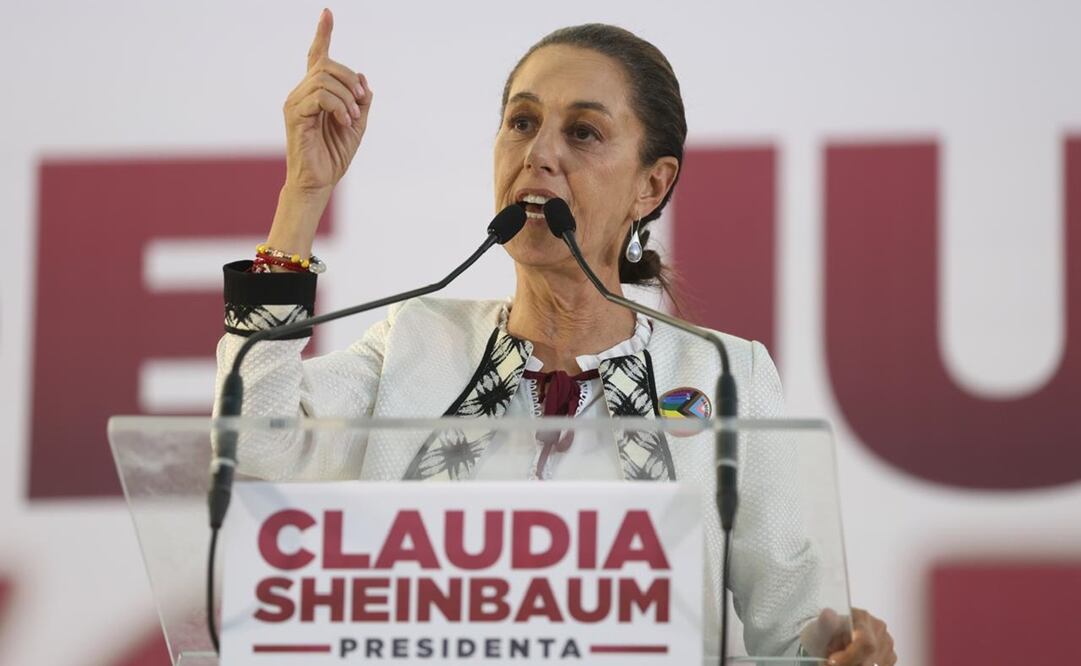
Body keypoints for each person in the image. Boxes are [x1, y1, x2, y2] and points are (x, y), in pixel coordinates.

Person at [215, 9, 897, 665]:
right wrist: (303, 192)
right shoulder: (415, 343)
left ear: (651, 186)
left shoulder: (723, 373)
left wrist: (843, 649)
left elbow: (794, 631)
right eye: (521, 122)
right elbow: (255, 441)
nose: (539, 154)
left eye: (583, 133)